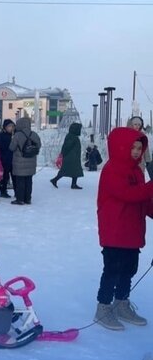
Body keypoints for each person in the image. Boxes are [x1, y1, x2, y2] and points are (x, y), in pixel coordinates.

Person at [94, 126, 153, 330]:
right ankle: (103, 308)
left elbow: (141, 199)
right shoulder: (112, 170)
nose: (137, 151)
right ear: (121, 147)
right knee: (113, 269)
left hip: (132, 231)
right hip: (115, 230)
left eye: (139, 148)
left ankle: (121, 303)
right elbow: (128, 194)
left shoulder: (137, 171)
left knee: (129, 269)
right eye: (133, 147)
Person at [8, 116, 41, 206]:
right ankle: (28, 199)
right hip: (31, 161)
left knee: (20, 181)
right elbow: (38, 146)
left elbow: (11, 148)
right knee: (29, 180)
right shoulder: (34, 134)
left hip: (20, 162)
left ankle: (20, 199)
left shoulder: (17, 135)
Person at [51, 122, 83, 189]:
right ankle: (55, 180)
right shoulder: (72, 137)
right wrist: (63, 154)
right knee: (67, 170)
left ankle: (73, 184)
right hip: (71, 158)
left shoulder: (72, 136)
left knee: (73, 171)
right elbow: (67, 147)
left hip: (73, 157)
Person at [0, 120, 15, 198]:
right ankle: (3, 191)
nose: (11, 128)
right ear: (5, 127)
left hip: (13, 159)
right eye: (9, 126)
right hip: (4, 159)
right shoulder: (1, 136)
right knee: (4, 177)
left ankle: (17, 192)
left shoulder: (14, 135)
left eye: (12, 126)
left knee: (15, 177)